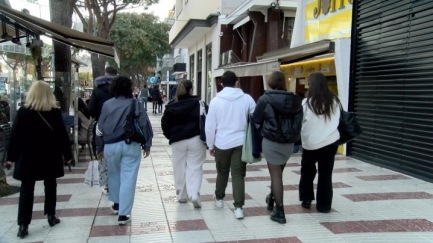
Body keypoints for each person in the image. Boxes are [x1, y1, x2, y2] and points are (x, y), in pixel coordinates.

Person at [5, 81, 72, 239]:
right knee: (50, 185)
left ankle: (23, 224)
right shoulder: (54, 112)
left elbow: (15, 137)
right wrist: (67, 155)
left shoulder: (23, 112)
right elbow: (62, 135)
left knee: (26, 189)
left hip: (27, 157)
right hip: (49, 156)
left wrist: (10, 158)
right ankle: (50, 215)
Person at [96, 76, 153, 225]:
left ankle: (116, 204)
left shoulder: (107, 105)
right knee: (128, 177)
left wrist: (99, 147)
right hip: (131, 145)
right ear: (129, 88)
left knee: (114, 174)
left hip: (111, 146)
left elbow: (99, 128)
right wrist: (147, 144)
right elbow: (145, 125)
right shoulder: (136, 104)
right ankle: (124, 214)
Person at [253, 71, 303, 224]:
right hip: (288, 143)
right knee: (278, 173)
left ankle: (279, 211)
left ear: (270, 82)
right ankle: (271, 199)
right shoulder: (296, 100)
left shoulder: (264, 99)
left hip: (271, 141)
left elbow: (256, 119)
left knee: (276, 176)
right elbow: (299, 122)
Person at [205, 71, 256, 219]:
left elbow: (209, 126)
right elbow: (257, 116)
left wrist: (210, 145)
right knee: (238, 175)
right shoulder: (247, 99)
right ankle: (238, 207)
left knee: (222, 171)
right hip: (241, 142)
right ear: (237, 82)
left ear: (221, 83)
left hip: (221, 142)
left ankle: (219, 199)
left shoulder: (215, 101)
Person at [299, 72, 341, 213]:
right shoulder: (335, 101)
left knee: (307, 171)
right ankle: (324, 205)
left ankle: (306, 199)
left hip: (310, 143)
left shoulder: (306, 103)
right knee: (325, 174)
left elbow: (301, 121)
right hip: (330, 142)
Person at [161, 80, 207, 208]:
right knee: (195, 166)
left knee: (179, 166)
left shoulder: (171, 106)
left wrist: (171, 136)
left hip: (177, 140)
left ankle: (181, 195)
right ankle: (194, 194)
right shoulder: (199, 104)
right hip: (196, 138)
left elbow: (165, 125)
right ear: (191, 90)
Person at [88, 65, 117, 194]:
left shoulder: (98, 90)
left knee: (103, 152)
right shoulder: (120, 89)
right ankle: (117, 182)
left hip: (102, 125)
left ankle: (107, 183)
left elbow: (92, 109)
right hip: (118, 127)